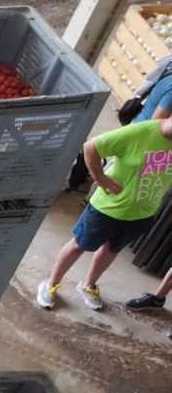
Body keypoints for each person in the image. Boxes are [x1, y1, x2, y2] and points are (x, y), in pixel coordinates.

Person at [35, 114, 172, 311]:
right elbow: (91, 147)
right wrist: (100, 178)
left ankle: (88, 285)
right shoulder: (140, 132)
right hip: (108, 208)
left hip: (142, 213)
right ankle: (50, 284)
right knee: (79, 245)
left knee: (111, 249)